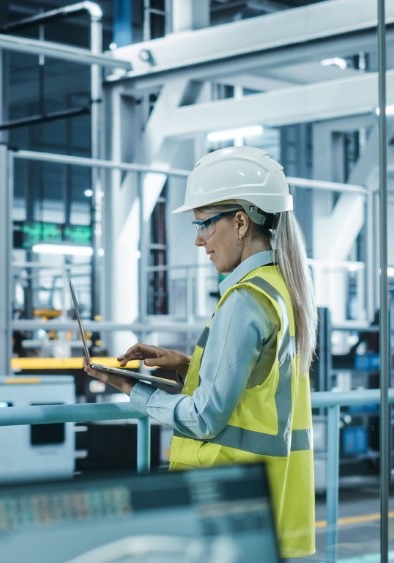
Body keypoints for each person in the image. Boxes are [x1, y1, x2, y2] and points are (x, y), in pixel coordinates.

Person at [84, 146, 317, 558]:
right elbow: (256, 383)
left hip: (226, 495)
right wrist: (185, 366)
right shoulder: (281, 288)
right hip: (270, 492)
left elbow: (206, 417)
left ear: (241, 222)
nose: (198, 240)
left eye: (204, 224)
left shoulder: (245, 300)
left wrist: (130, 389)